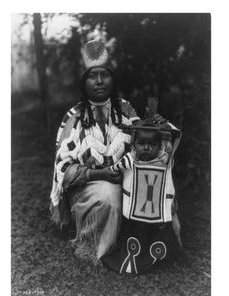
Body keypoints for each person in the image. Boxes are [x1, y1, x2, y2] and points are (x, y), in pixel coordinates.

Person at [49, 39, 166, 265]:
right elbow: (64, 170)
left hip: (125, 179)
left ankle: (143, 246)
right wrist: (99, 175)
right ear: (84, 82)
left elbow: (144, 144)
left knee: (152, 187)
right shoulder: (74, 118)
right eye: (93, 76)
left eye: (105, 75)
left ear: (113, 78)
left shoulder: (125, 110)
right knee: (110, 196)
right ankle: (97, 249)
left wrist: (156, 127)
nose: (100, 81)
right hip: (88, 188)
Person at [100, 117, 182, 274]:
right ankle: (133, 261)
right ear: (133, 144)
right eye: (141, 144)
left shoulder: (165, 161)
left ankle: (158, 258)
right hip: (134, 212)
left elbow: (175, 133)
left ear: (160, 146)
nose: (146, 148)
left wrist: (164, 126)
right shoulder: (130, 160)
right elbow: (114, 169)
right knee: (134, 237)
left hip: (156, 212)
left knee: (157, 237)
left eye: (152, 145)